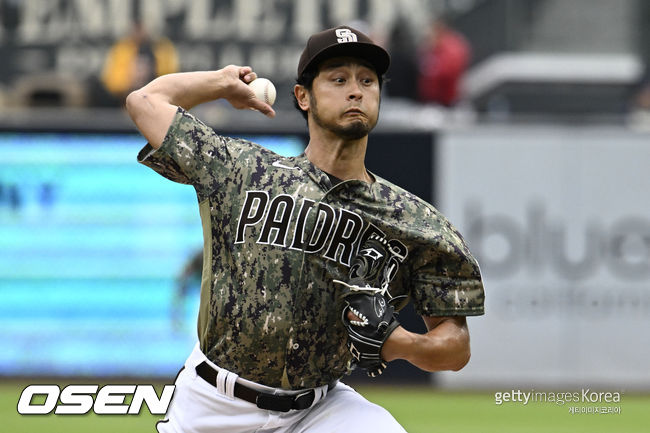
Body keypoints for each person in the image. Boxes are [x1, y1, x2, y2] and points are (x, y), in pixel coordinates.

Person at [126, 25, 485, 433]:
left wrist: (399, 342)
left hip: (318, 410)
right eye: (338, 79)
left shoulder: (412, 221)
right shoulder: (243, 170)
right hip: (212, 406)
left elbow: (455, 345)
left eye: (367, 80)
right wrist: (220, 83)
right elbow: (144, 100)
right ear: (303, 97)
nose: (356, 91)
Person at [417, 16, 471, 106]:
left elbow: (446, 72)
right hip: (431, 99)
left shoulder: (451, 47)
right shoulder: (432, 46)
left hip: (447, 100)